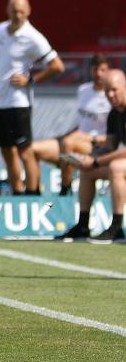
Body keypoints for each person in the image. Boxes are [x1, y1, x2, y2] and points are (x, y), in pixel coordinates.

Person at [0, 0, 64, 195]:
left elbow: (57, 66)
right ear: (8, 10)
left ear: (29, 11)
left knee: (25, 151)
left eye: (22, 11)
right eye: (15, 11)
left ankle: (32, 194)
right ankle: (17, 192)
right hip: (0, 100)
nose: (19, 15)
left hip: (19, 102)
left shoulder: (33, 37)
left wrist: (31, 80)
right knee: (6, 150)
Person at [56, 68, 126, 243]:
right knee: (88, 172)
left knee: (116, 167)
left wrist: (96, 161)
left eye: (114, 89)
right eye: (107, 90)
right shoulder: (114, 113)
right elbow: (109, 146)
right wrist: (85, 160)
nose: (110, 94)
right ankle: (83, 226)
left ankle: (117, 228)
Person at [31, 54, 111, 195]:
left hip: (96, 146)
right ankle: (33, 195)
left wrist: (87, 138)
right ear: (90, 70)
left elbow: (115, 136)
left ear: (108, 71)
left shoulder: (112, 95)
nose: (98, 74)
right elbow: (83, 122)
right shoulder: (83, 90)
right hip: (74, 140)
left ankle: (65, 190)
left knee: (68, 144)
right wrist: (71, 135)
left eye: (102, 70)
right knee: (32, 149)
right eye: (95, 69)